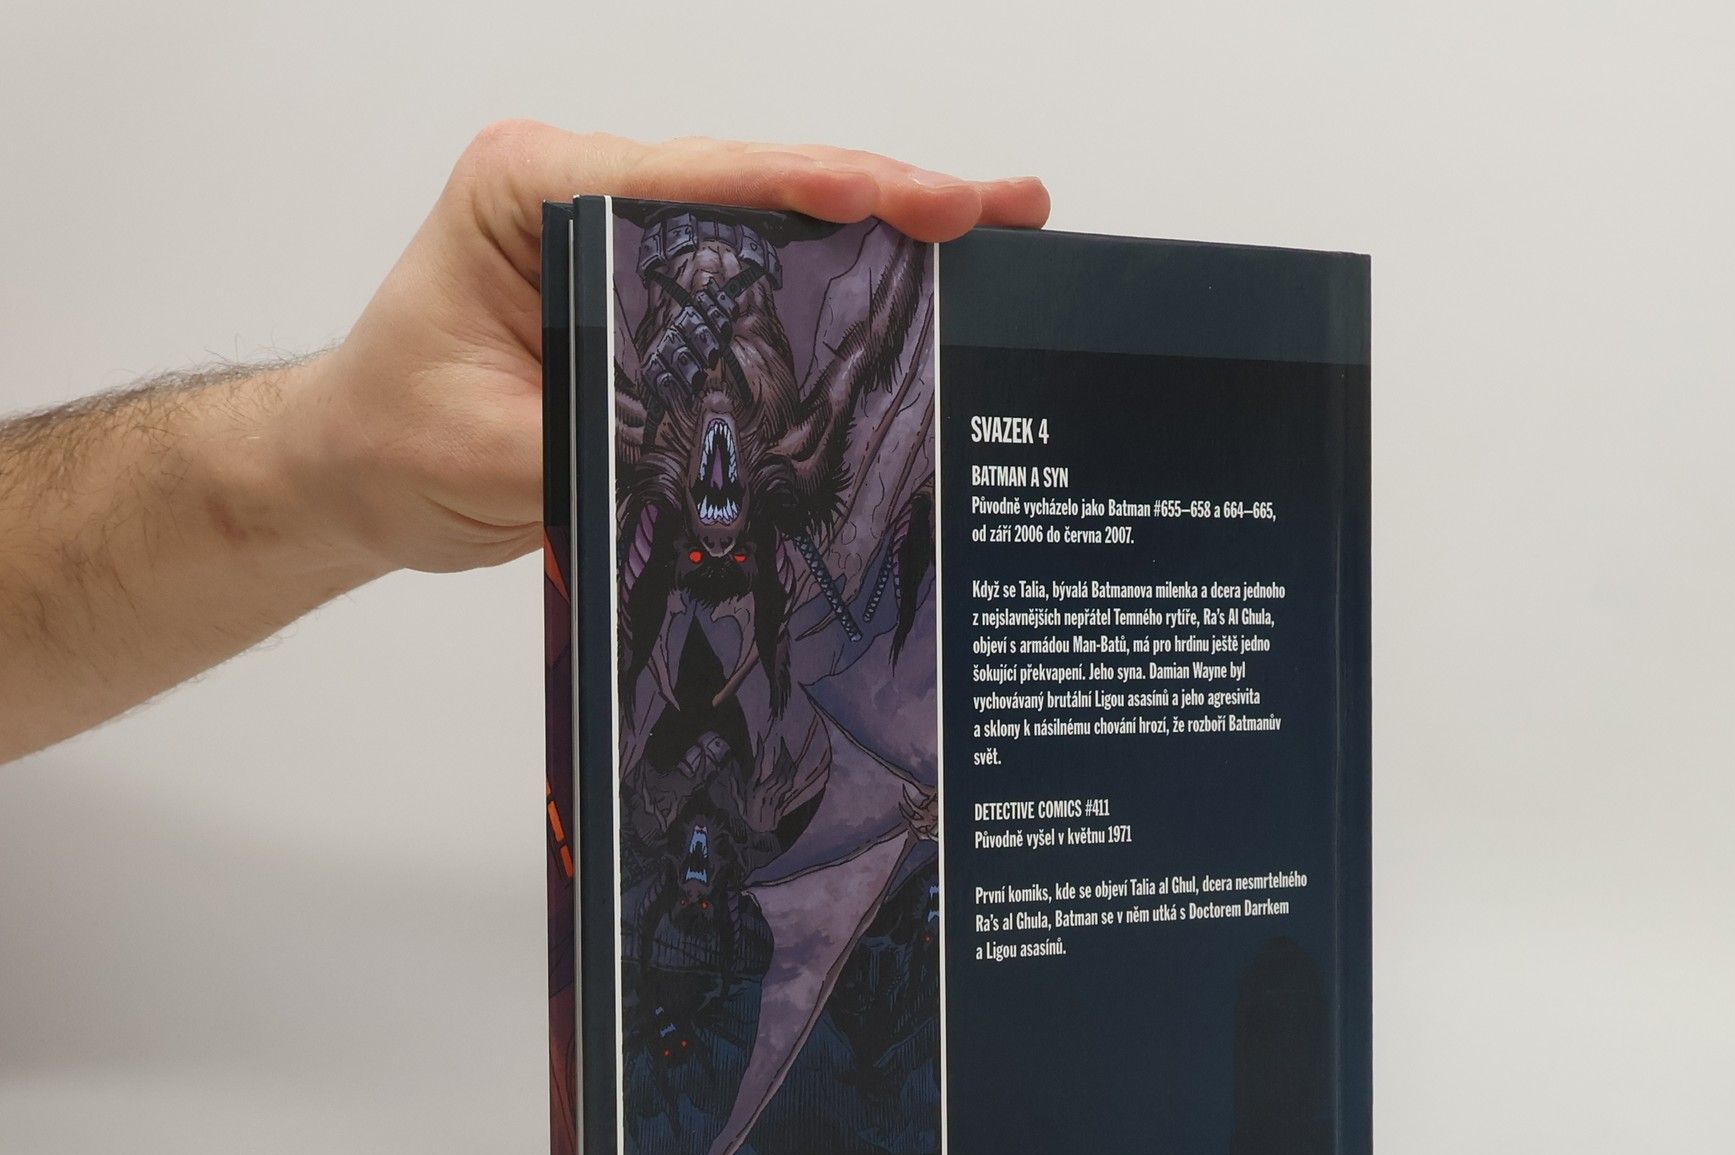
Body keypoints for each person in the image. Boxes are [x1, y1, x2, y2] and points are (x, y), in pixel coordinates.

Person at [0, 123, 1048, 764]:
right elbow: (852, 366)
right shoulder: (744, 460)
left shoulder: (714, 456)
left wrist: (320, 467)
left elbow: (854, 371)